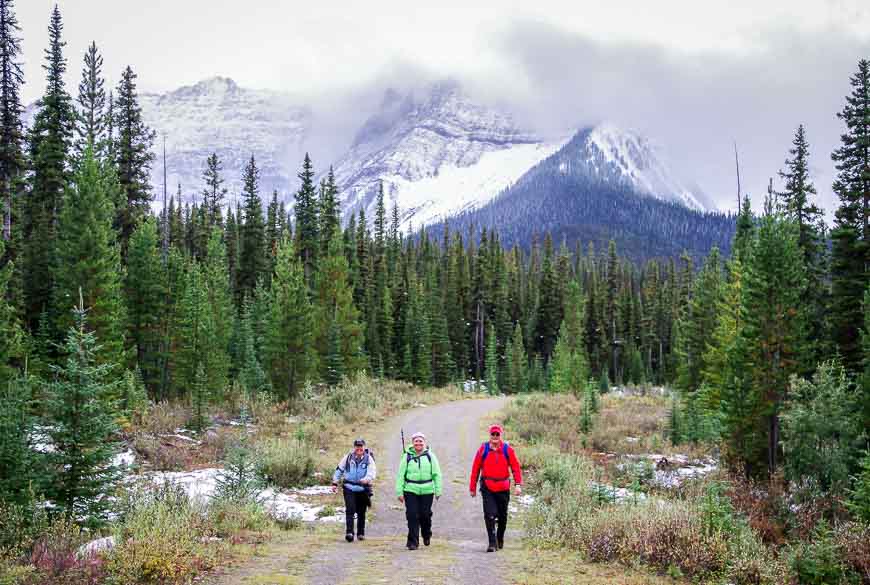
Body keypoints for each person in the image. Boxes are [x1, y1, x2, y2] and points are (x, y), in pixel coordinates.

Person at [469, 424, 523, 552]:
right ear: (489, 435)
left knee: (502, 516)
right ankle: (492, 543)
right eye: (493, 434)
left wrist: (518, 485)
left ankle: (500, 538)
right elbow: (475, 468)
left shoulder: (507, 449)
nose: (495, 436)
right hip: (487, 486)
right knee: (489, 515)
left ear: (500, 435)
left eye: (497, 434)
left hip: (503, 487)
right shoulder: (483, 449)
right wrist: (472, 487)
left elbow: (515, 467)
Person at [395, 432, 442, 550]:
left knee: (425, 515)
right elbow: (400, 475)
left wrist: (438, 490)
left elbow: (437, 474)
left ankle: (426, 534)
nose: (418, 443)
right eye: (416, 441)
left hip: (427, 490)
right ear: (412, 443)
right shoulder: (407, 456)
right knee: (412, 515)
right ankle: (413, 542)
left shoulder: (430, 456)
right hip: (410, 489)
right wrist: (399, 492)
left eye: (421, 441)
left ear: (424, 443)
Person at [332, 438, 376, 542]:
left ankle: (361, 533)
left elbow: (372, 472)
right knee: (350, 510)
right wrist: (335, 483)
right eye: (357, 446)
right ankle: (349, 533)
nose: (359, 448)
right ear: (354, 447)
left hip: (362, 488)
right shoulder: (347, 458)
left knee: (361, 511)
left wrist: (366, 479)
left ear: (364, 447)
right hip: (349, 487)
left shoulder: (369, 459)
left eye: (361, 446)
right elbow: (339, 470)